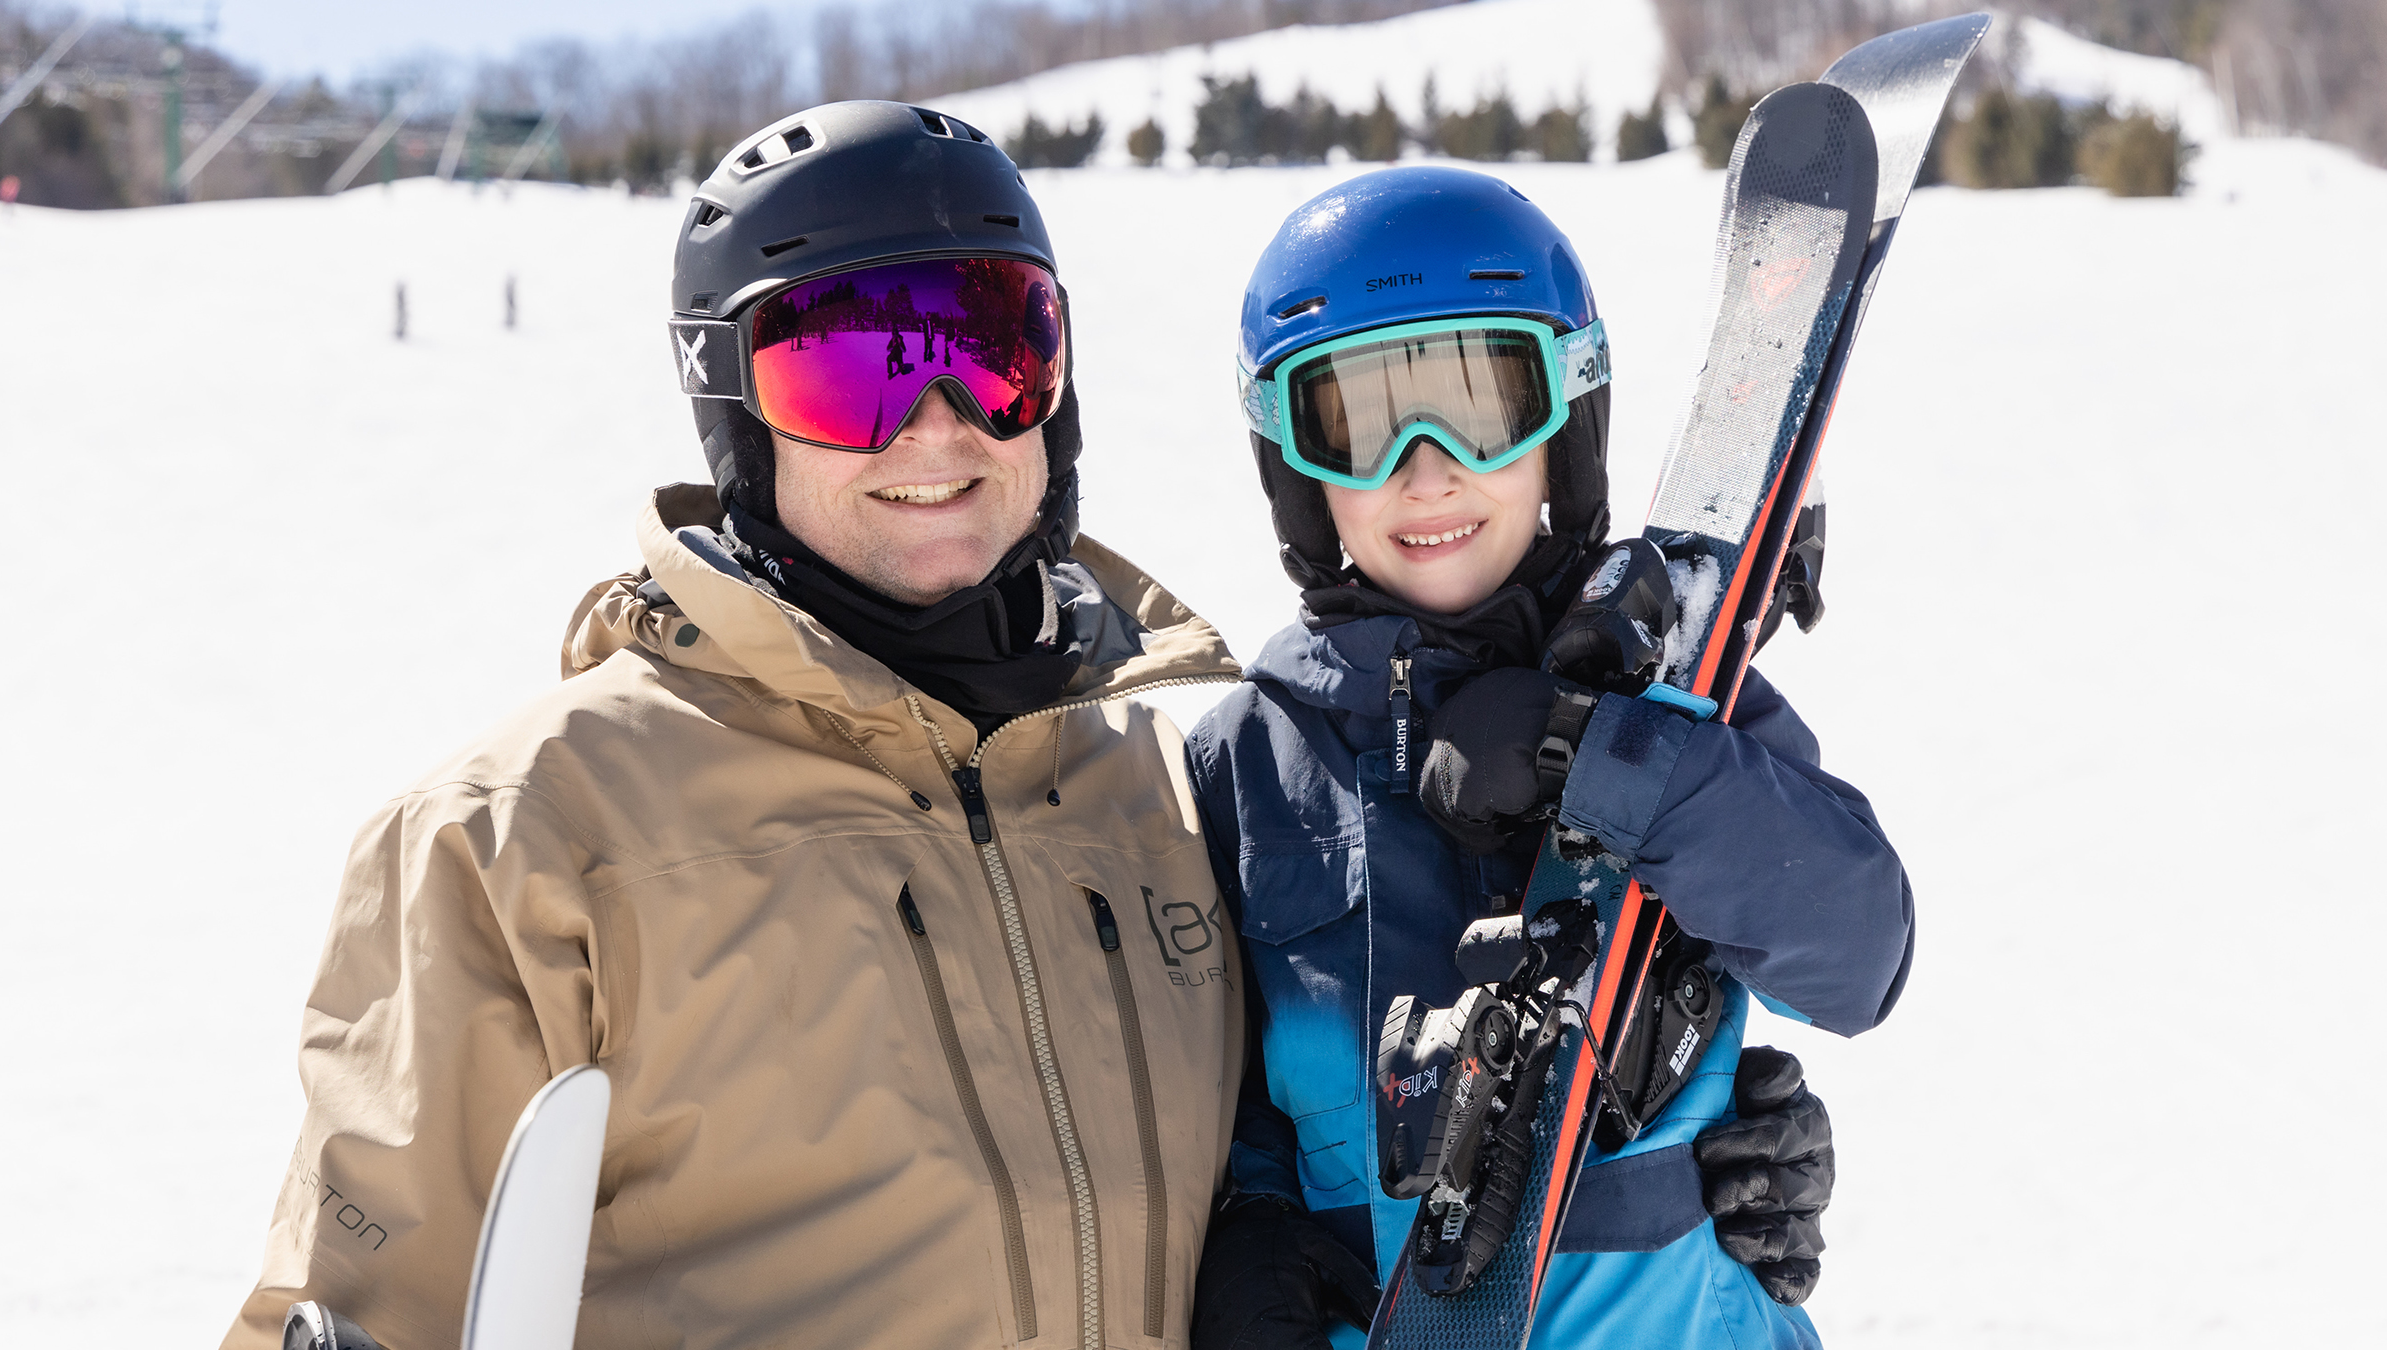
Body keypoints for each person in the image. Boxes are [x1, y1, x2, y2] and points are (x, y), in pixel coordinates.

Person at [223, 101, 1248, 1349]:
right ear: (734, 414)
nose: (936, 423)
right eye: (849, 367)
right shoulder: (523, 840)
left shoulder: (1165, 790)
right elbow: (368, 1311)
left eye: (991, 348)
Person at [1186, 168, 1910, 1349]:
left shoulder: (1681, 693)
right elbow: (1215, 1106)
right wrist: (1251, 1241)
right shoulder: (1247, 769)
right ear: (1296, 464)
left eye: (1479, 405)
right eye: (1359, 425)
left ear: (1565, 419)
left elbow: (1856, 952)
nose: (1424, 471)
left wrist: (1606, 755)